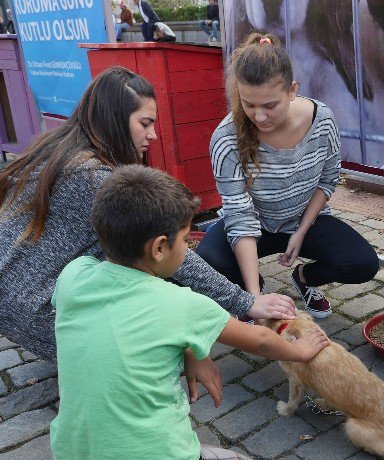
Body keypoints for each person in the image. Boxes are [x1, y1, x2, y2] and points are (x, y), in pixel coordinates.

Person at [0, 66, 297, 364]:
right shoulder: (93, 178)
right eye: (145, 123)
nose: (153, 134)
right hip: (41, 313)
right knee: (154, 271)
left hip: (15, 299)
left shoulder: (60, 149)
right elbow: (173, 252)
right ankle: (99, 358)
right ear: (114, 121)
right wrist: (246, 301)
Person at [49, 164, 329, 460]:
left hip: (72, 451)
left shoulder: (73, 276)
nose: (189, 248)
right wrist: (298, 351)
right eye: (185, 240)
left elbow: (123, 322)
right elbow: (259, 339)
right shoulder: (182, 303)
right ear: (159, 248)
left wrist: (191, 351)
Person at [196, 33, 379, 320]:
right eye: (249, 104)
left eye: (270, 105)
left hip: (305, 220)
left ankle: (305, 278)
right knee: (209, 259)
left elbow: (328, 180)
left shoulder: (323, 119)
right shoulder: (226, 137)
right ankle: (254, 288)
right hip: (256, 227)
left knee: (363, 263)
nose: (259, 116)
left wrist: (301, 231)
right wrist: (253, 299)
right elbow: (239, 216)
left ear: (292, 90)